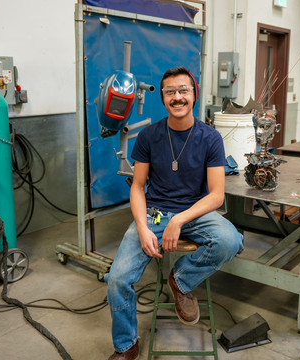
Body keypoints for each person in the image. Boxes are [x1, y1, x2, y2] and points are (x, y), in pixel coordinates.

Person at [105, 66, 243, 360]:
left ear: (194, 94)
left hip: (194, 212)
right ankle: (126, 345)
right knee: (117, 278)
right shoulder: (149, 136)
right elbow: (138, 186)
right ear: (164, 97)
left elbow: (217, 195)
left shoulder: (210, 138)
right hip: (154, 212)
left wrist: (179, 220)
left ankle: (180, 280)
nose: (177, 97)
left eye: (183, 91)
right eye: (170, 92)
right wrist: (143, 227)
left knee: (230, 240)